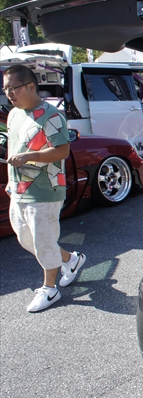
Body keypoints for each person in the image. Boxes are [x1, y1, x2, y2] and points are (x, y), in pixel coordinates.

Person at [2, 65, 86, 313]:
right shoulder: (13, 114)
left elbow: (62, 150)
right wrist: (11, 182)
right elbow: (13, 148)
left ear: (31, 86)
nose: (9, 93)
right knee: (27, 238)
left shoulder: (51, 115)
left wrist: (29, 157)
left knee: (43, 241)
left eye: (13, 88)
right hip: (19, 189)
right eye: (5, 89)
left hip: (45, 191)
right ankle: (71, 260)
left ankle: (50, 289)